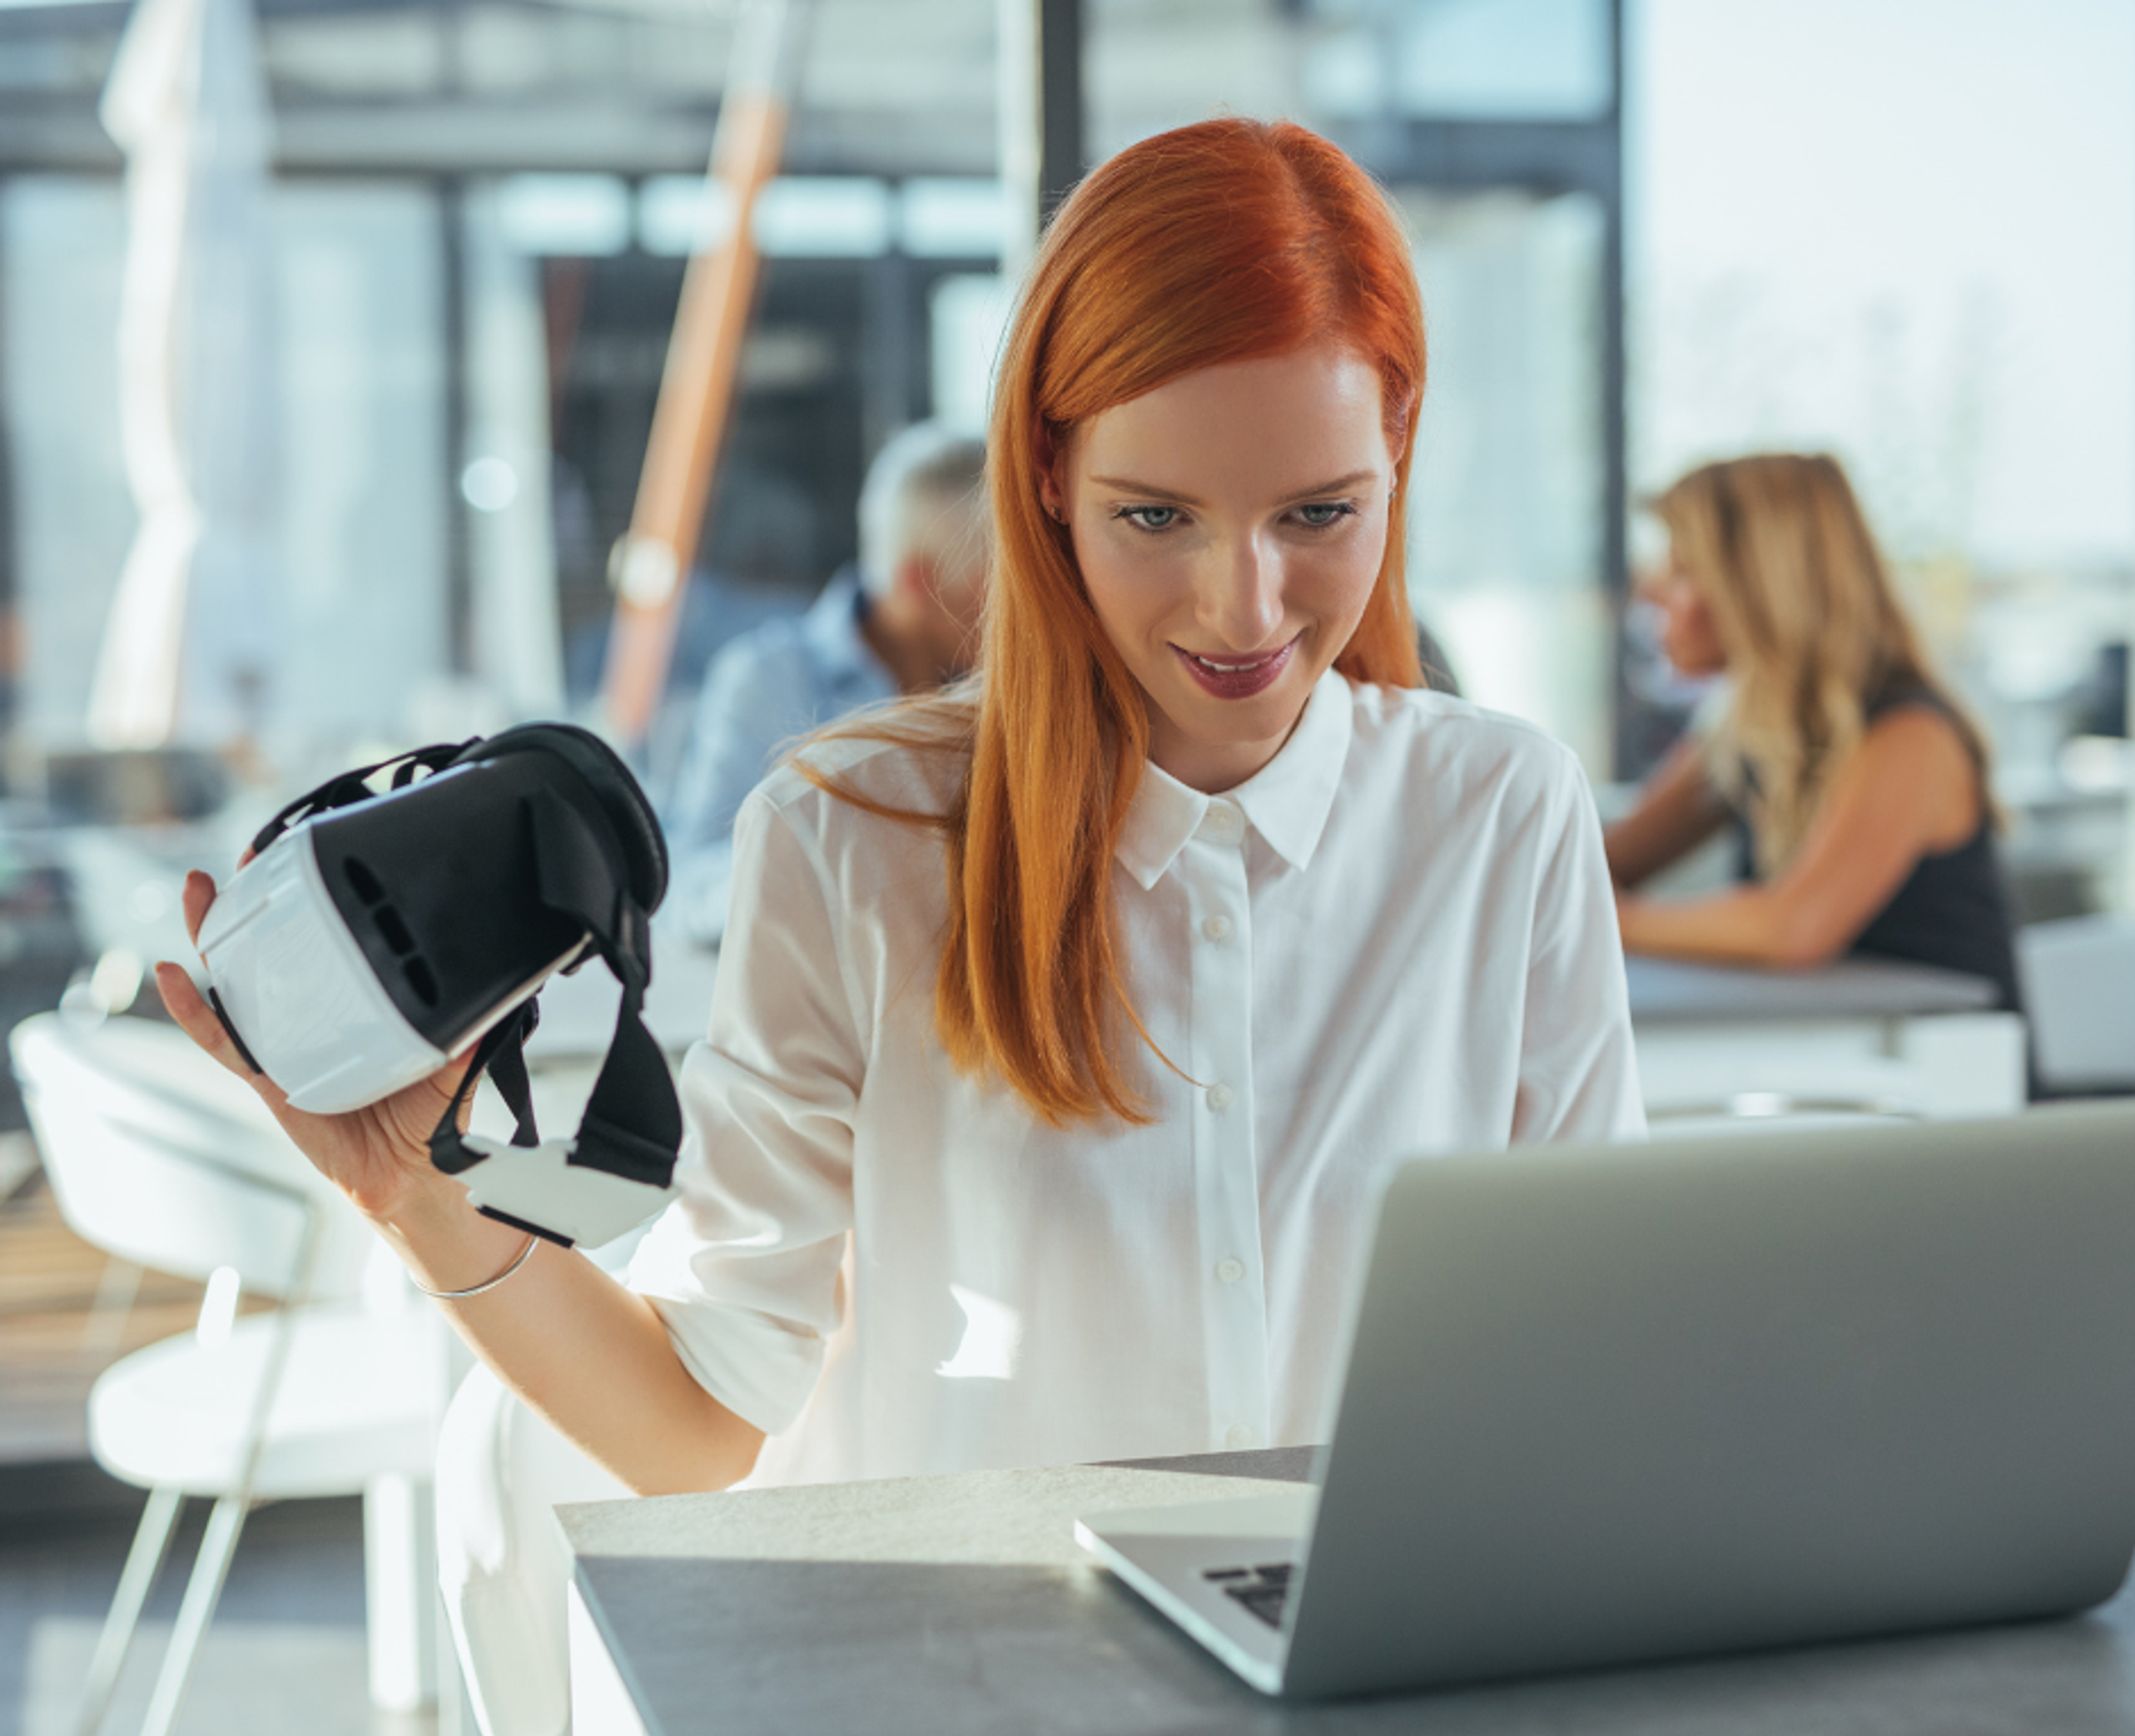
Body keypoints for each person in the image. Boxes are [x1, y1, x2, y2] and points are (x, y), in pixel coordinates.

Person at [157, 118, 1643, 1498]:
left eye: (1320, 513)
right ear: (1049, 479)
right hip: (975, 1690)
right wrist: (425, 1205)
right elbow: (705, 1422)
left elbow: (1593, 1351)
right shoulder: (853, 831)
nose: (1242, 603)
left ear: (1398, 448)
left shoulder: (1499, 812)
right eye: (1156, 515)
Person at [1606, 453, 2022, 1012]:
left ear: (1757, 587)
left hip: (1954, 1071)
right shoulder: (1745, 732)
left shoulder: (1912, 735)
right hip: (1835, 1051)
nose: (1651, 592)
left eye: (1682, 570)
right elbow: (1601, 864)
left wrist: (1605, 918)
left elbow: (1794, 929)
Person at [662, 421, 987, 944]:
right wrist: (839, 875)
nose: (1018, 616)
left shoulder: (1008, 695)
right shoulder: (768, 681)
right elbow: (691, 889)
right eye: (995, 586)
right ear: (920, 581)